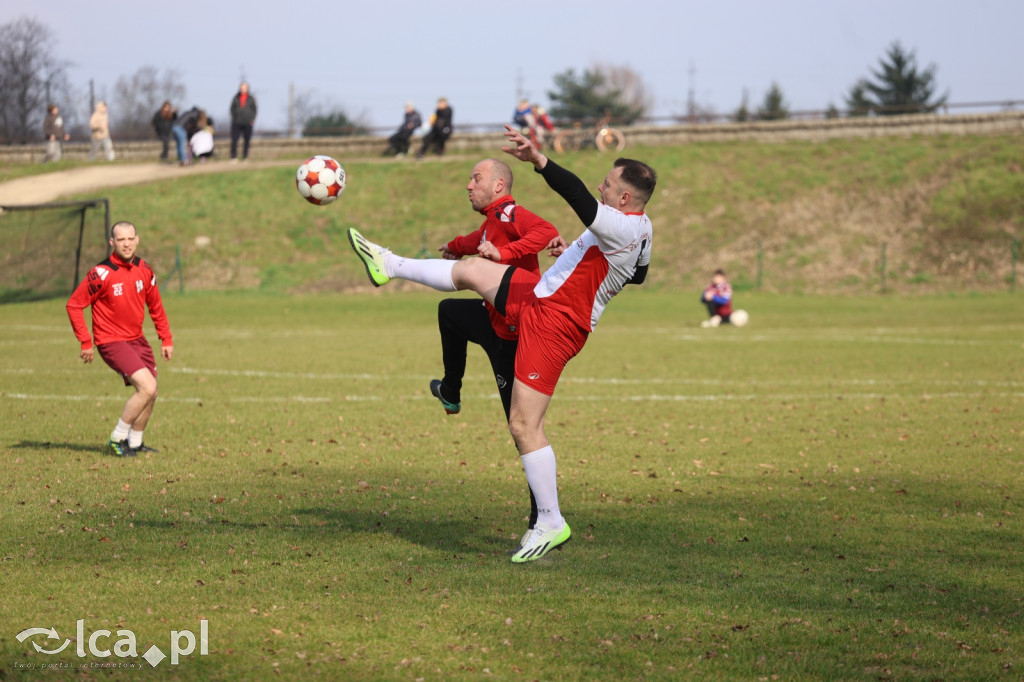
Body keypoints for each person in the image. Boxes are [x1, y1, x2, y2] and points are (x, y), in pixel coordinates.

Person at [348, 125, 655, 563]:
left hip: (556, 324)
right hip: (543, 296)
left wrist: (539, 160)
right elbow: (638, 273)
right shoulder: (642, 227)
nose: (600, 187)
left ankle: (550, 522)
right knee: (473, 270)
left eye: (607, 184)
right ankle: (388, 264)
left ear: (625, 198)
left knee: (524, 426)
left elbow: (577, 197)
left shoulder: (620, 224)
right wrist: (582, 256)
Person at [431, 158, 560, 543]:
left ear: (499, 185)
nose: (469, 185)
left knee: (523, 431)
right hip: (493, 321)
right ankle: (450, 391)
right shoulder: (492, 221)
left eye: (477, 178)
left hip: (517, 339)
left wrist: (503, 255)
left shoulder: (510, 213)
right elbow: (476, 240)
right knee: (450, 312)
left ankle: (542, 520)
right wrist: (453, 247)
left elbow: (546, 231)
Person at [66, 221, 174, 457]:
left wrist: (165, 338)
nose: (126, 244)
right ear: (112, 242)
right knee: (147, 387)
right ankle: (117, 438)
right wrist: (85, 341)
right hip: (111, 341)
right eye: (121, 239)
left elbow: (156, 306)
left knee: (152, 392)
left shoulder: (145, 270)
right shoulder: (101, 273)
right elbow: (74, 305)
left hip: (137, 340)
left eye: (130, 239)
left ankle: (135, 442)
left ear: (137, 240)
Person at [229, 81, 257, 162]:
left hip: (247, 122)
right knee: (234, 139)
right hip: (236, 121)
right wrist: (233, 118)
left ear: (247, 89)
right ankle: (233, 156)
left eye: (244, 88)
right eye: (241, 88)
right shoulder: (235, 98)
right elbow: (232, 109)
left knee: (247, 140)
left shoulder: (251, 99)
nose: (242, 89)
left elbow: (254, 110)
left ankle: (245, 157)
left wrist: (252, 119)